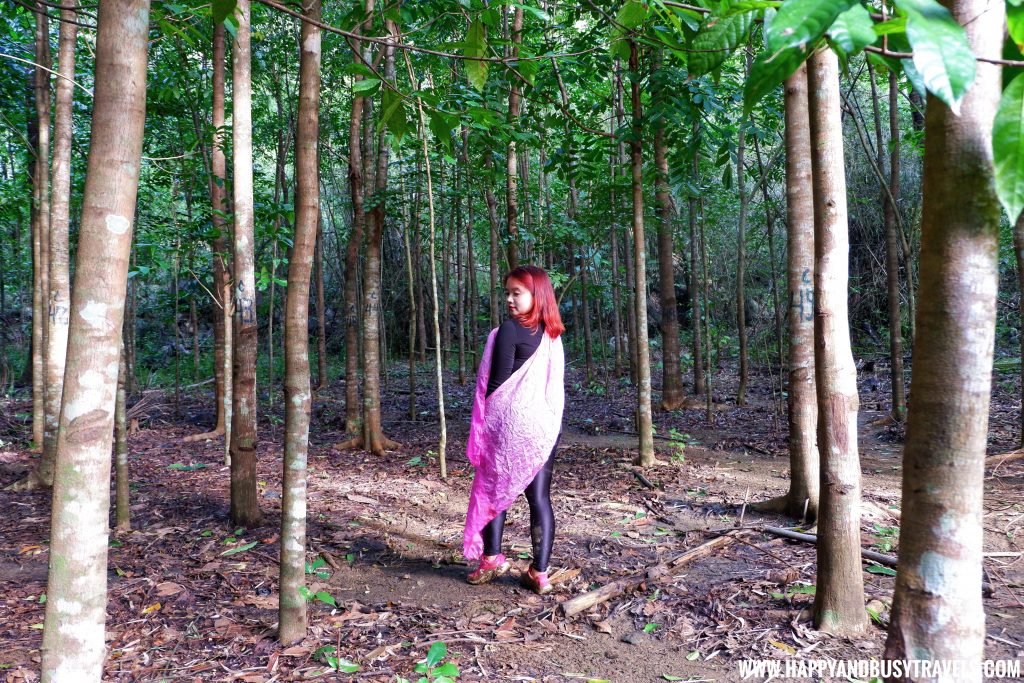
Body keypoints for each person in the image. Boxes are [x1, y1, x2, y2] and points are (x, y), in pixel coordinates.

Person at [462, 265, 565, 595]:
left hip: (509, 428)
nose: (509, 299)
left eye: (516, 293)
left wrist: (486, 427)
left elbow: (497, 387)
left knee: (494, 488)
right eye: (506, 292)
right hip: (545, 428)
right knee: (539, 499)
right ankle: (540, 572)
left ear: (537, 295)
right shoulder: (552, 335)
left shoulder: (509, 330)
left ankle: (492, 558)